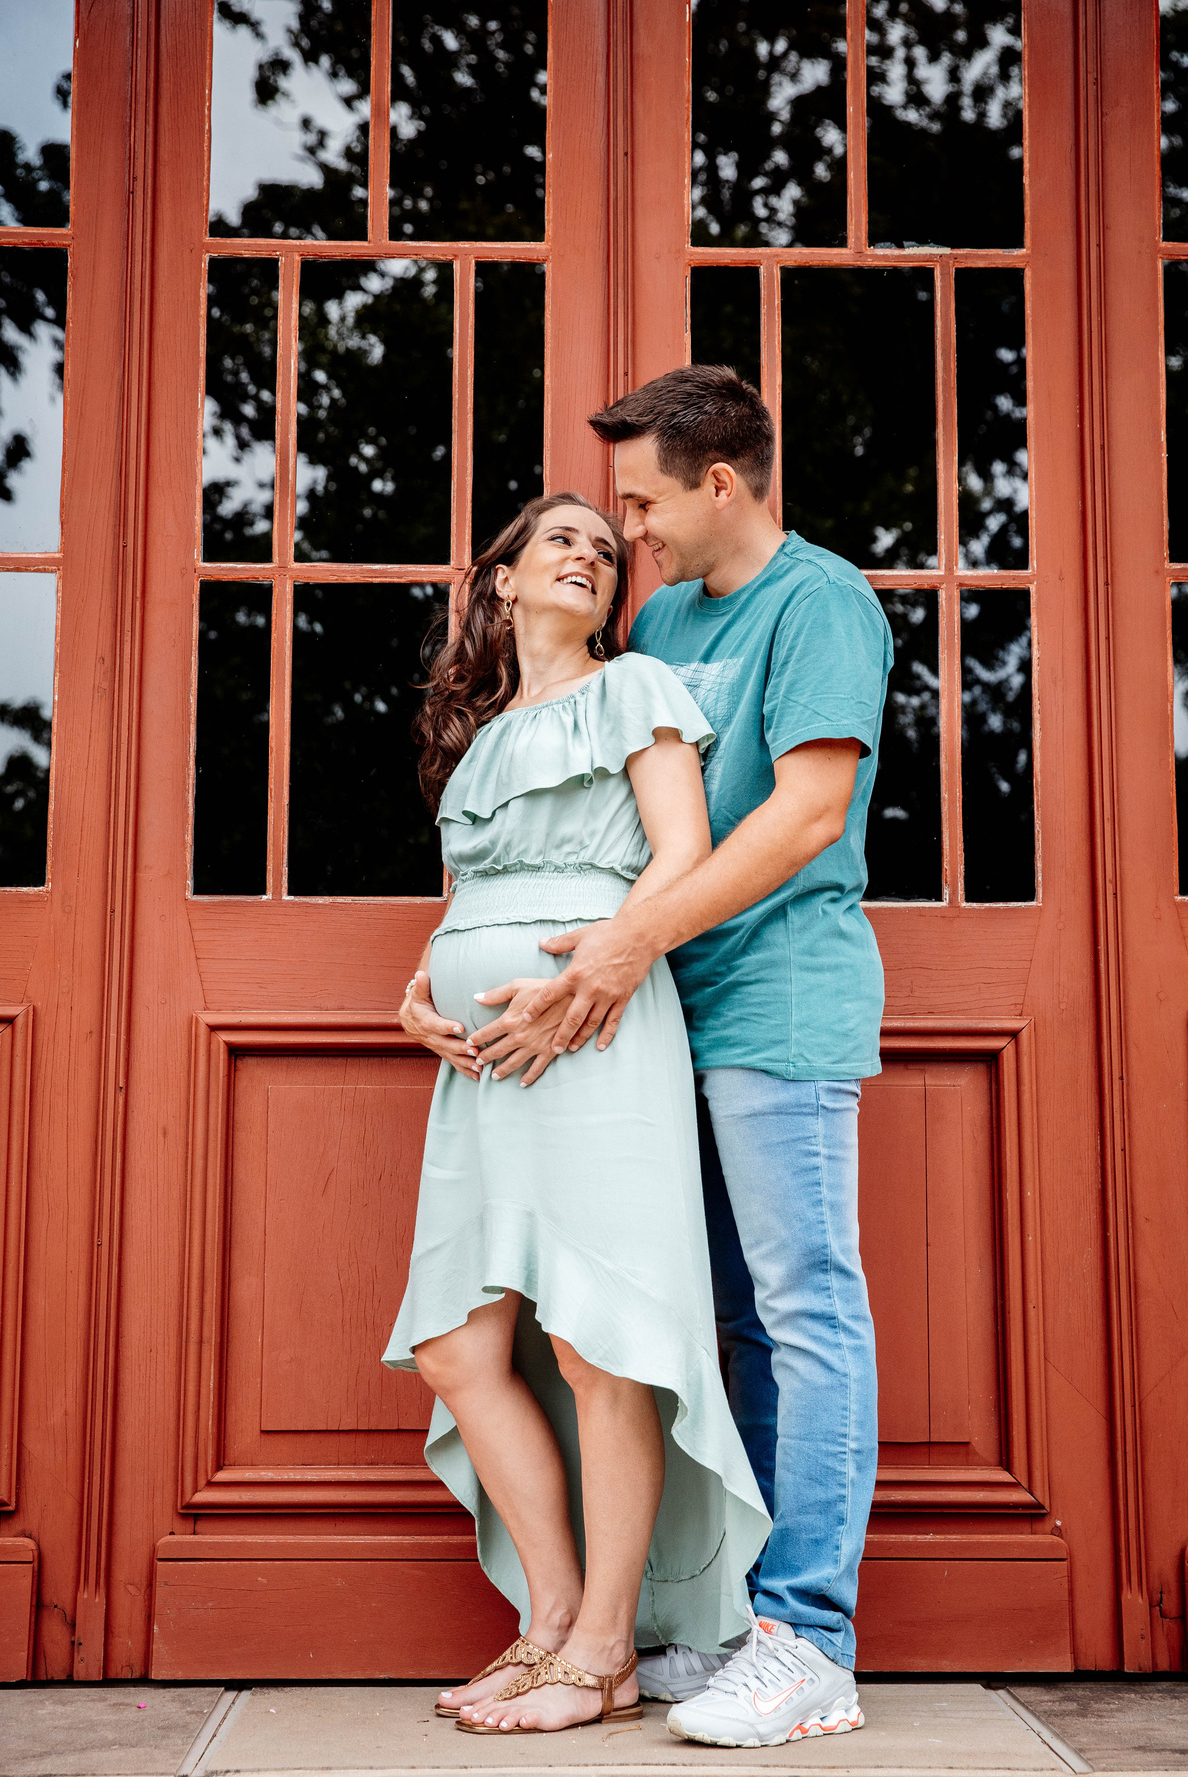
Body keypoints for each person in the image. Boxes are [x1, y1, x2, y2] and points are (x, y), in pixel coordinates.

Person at [463, 368, 893, 1747]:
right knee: (720, 1332)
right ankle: (726, 1621)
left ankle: (810, 1642)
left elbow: (807, 813)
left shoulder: (820, 602)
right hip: (650, 1030)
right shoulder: (662, 622)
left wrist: (621, 945)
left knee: (806, 1312)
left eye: (644, 503)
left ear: (720, 482)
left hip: (776, 1005)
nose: (631, 532)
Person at [386, 491, 770, 1737]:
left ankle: (604, 1651)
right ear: (501, 580)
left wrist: (585, 977)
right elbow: (469, 896)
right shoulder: (480, 733)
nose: (589, 557)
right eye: (559, 539)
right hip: (480, 1063)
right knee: (455, 1345)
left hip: (595, 1031)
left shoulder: (635, 689)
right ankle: (549, 1619)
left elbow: (681, 856)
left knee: (600, 1343)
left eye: (606, 550)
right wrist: (420, 993)